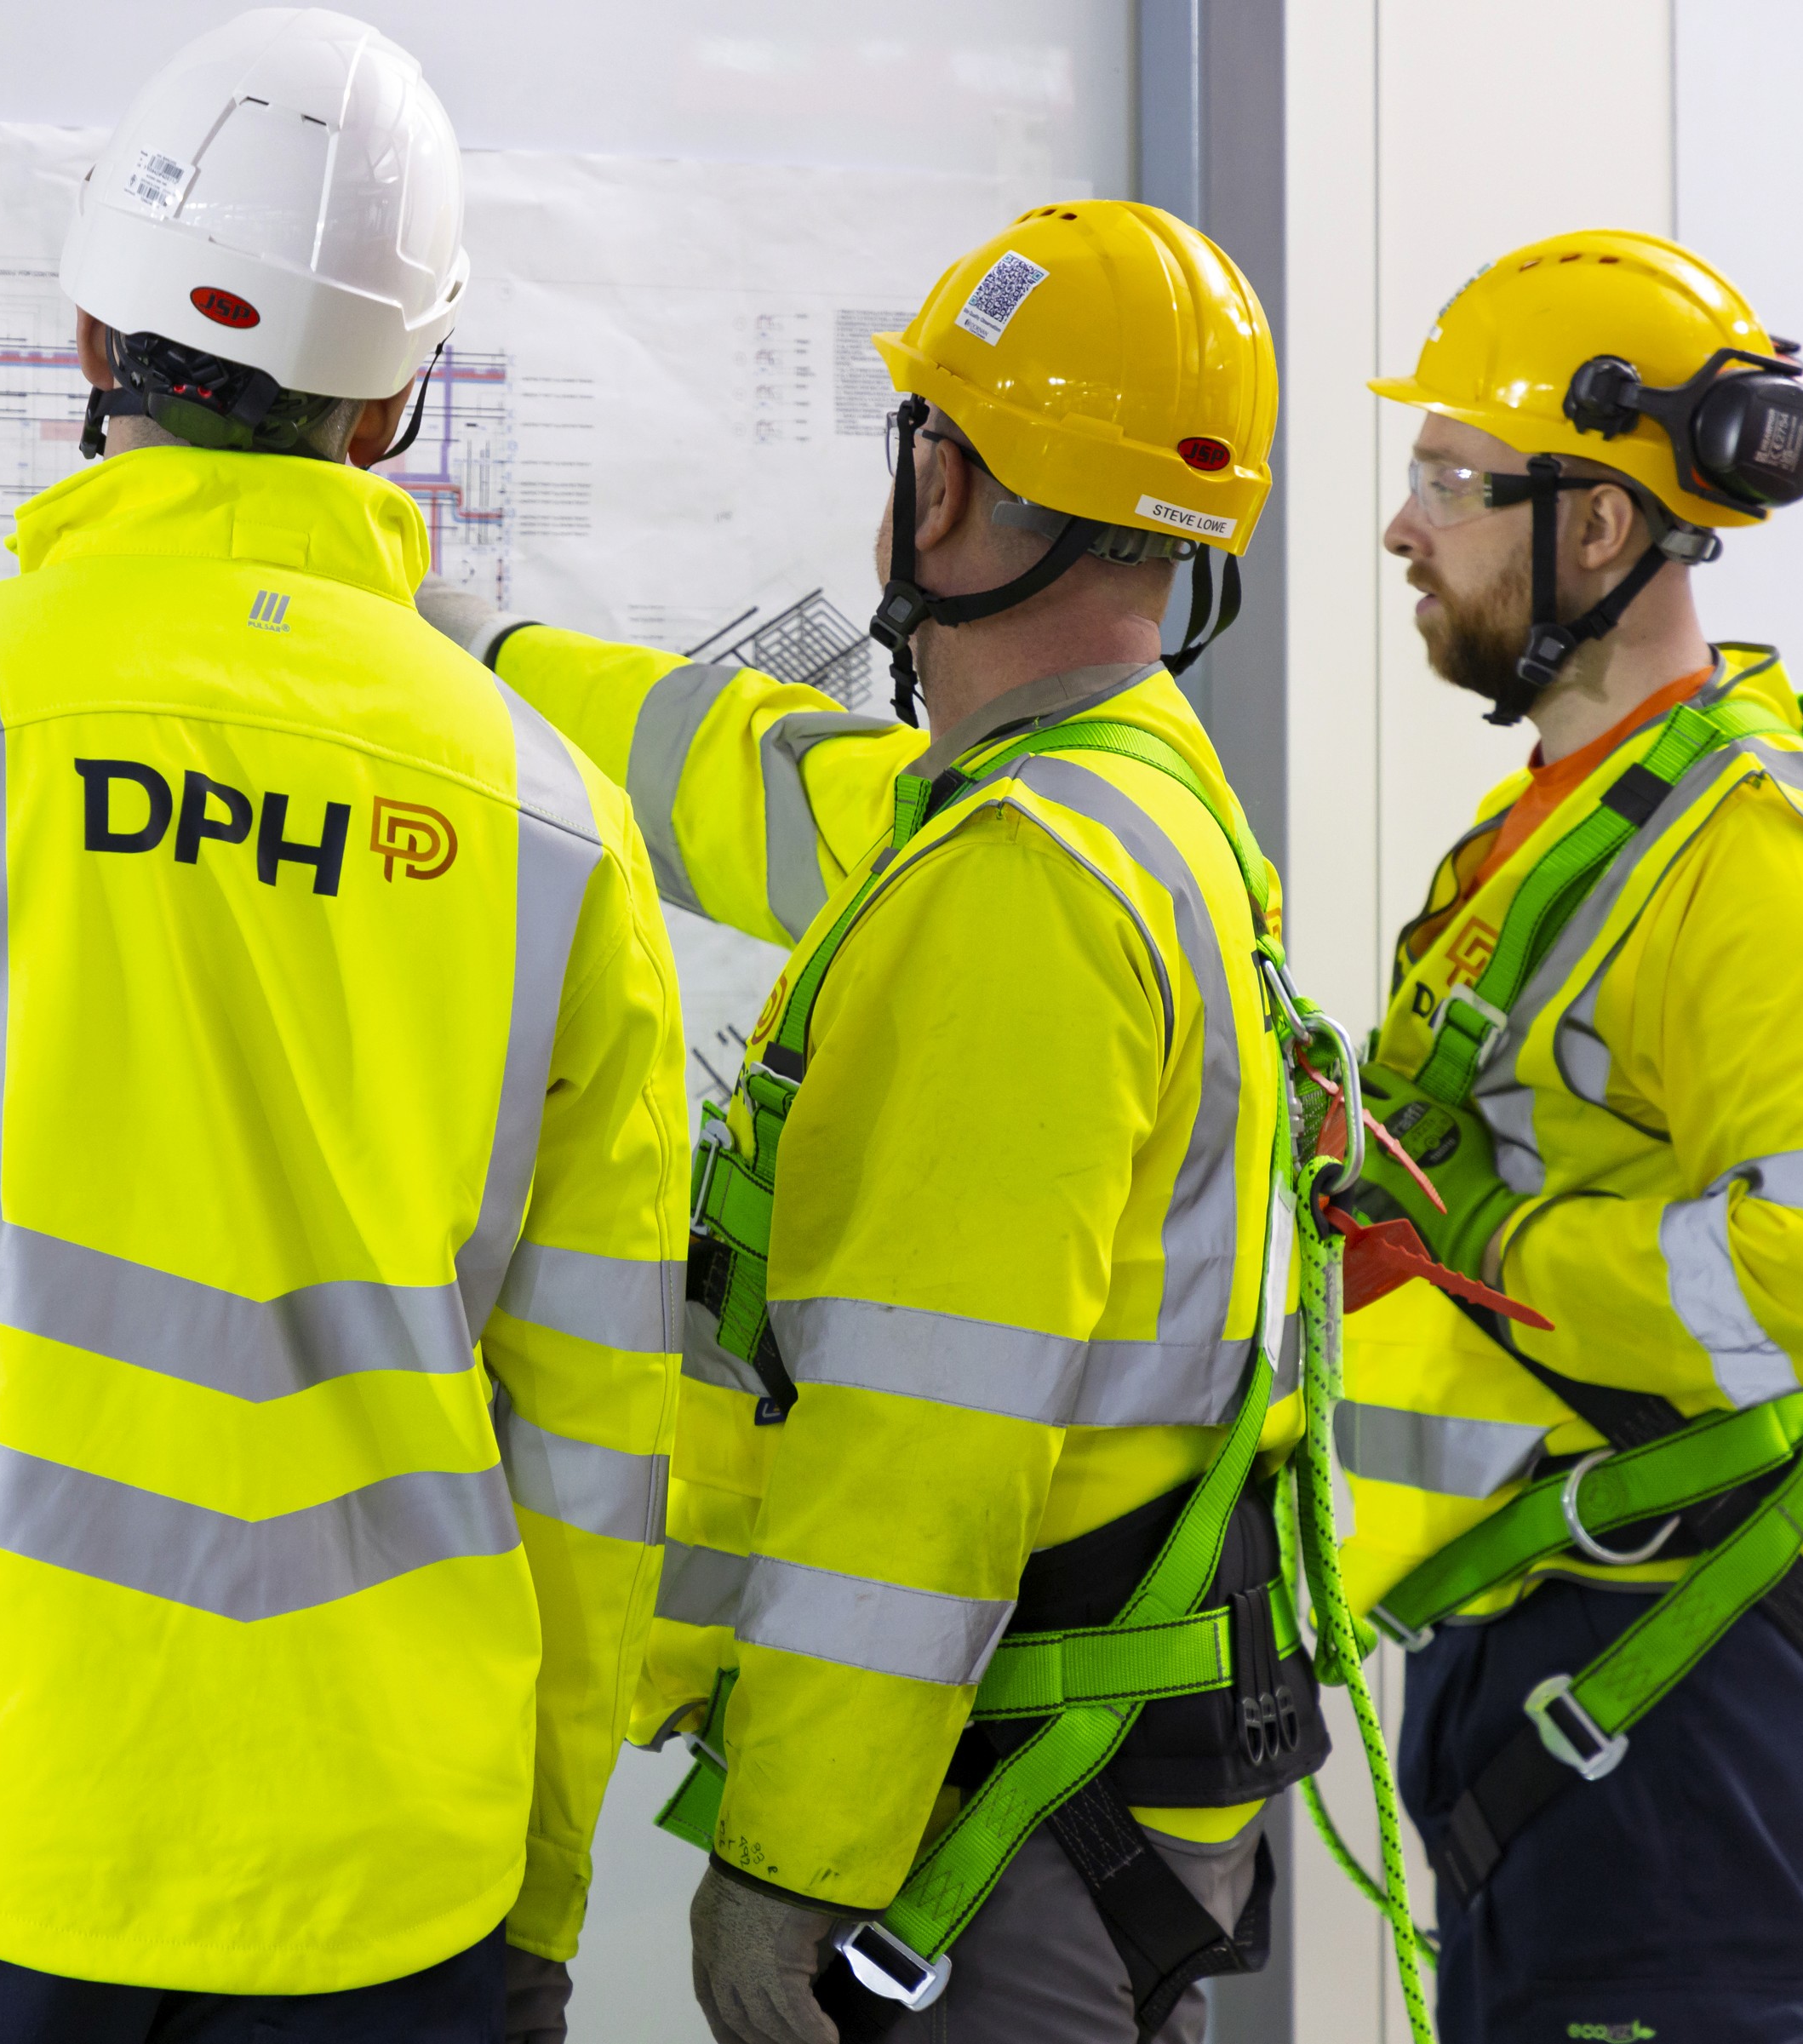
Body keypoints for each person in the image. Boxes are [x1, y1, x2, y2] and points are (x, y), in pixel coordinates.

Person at [0, 14, 684, 2042]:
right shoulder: (555, 831)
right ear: (396, 400)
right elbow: (597, 1435)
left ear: (92, 333)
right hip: (373, 1880)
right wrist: (537, 1881)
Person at [423, 203, 1326, 2044]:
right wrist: (477, 665)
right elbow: (761, 772)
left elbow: (919, 1453)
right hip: (1072, 1779)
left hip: (991, 1835)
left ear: (942, 483)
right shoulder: (1104, 801)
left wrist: (796, 1859)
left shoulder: (1025, 892)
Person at [1334, 230, 1803, 2042]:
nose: (1405, 528)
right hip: (1556, 1632)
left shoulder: (1757, 854)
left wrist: (1492, 1252)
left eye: (1454, 483)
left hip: (1678, 1672)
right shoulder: (1567, 818)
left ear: (1598, 529)